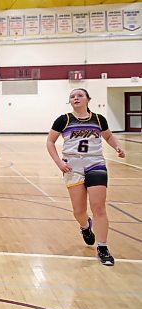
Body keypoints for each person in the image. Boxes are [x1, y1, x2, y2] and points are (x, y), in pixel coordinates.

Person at [46, 88, 125, 266]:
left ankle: (103, 247)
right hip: (72, 166)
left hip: (95, 163)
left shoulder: (98, 119)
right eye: (72, 96)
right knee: (79, 211)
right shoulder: (64, 119)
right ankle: (85, 226)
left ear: (88, 99)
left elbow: (109, 136)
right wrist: (59, 162)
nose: (76, 98)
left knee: (99, 207)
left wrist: (117, 147)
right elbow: (50, 141)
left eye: (80, 95)